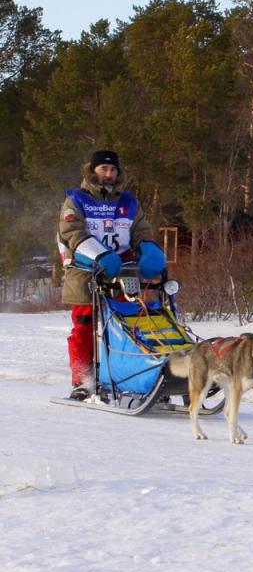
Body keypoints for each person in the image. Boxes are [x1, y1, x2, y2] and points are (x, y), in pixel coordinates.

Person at [56, 149, 166, 400]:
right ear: (92, 171)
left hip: (125, 274)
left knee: (132, 323)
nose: (108, 174)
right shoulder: (76, 200)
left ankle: (138, 374)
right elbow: (71, 232)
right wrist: (100, 254)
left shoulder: (128, 202)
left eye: (113, 169)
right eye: (103, 169)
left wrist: (148, 248)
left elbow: (141, 229)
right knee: (84, 328)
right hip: (86, 273)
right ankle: (83, 381)